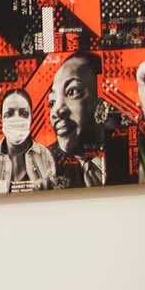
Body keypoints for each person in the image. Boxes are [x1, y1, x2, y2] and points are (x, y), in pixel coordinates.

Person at [50, 52, 107, 188]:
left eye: (72, 92)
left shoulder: (131, 155)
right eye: (52, 102)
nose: (57, 110)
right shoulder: (46, 164)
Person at [0, 88, 57, 192]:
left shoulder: (45, 156)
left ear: (31, 118)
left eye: (24, 114)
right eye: (9, 114)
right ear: (1, 118)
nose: (16, 119)